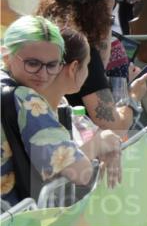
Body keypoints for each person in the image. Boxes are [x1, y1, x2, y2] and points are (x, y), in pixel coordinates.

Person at [0, 16, 111, 207]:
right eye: (32, 64)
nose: (43, 75)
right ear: (6, 56)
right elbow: (79, 172)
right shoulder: (26, 99)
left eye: (52, 65)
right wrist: (101, 142)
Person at [40, 0, 147, 132]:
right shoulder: (81, 49)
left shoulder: (42, 33)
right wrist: (134, 95)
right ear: (97, 7)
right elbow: (113, 126)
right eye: (108, 7)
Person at [38, 26, 123, 184]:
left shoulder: (60, 103)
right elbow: (60, 172)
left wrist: (107, 142)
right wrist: (99, 144)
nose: (88, 73)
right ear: (73, 68)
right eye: (88, 65)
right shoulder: (35, 110)